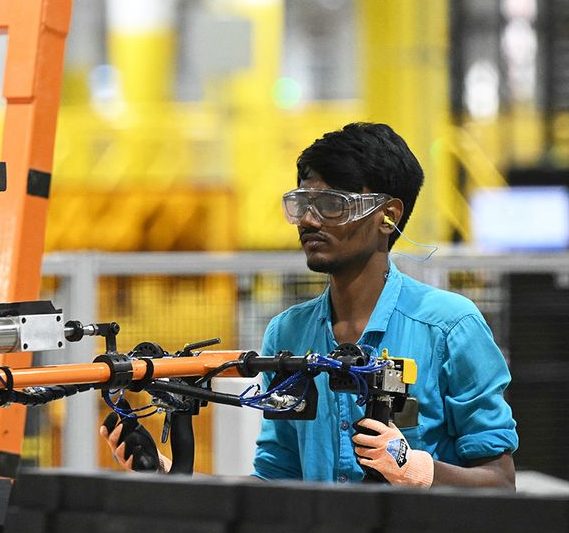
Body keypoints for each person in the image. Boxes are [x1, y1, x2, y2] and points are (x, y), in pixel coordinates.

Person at [102, 122, 518, 488]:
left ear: (387, 216)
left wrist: (420, 471)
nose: (309, 220)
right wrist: (168, 471)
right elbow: (276, 481)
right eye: (303, 204)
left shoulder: (449, 327)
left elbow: (499, 482)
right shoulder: (288, 334)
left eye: (332, 205)